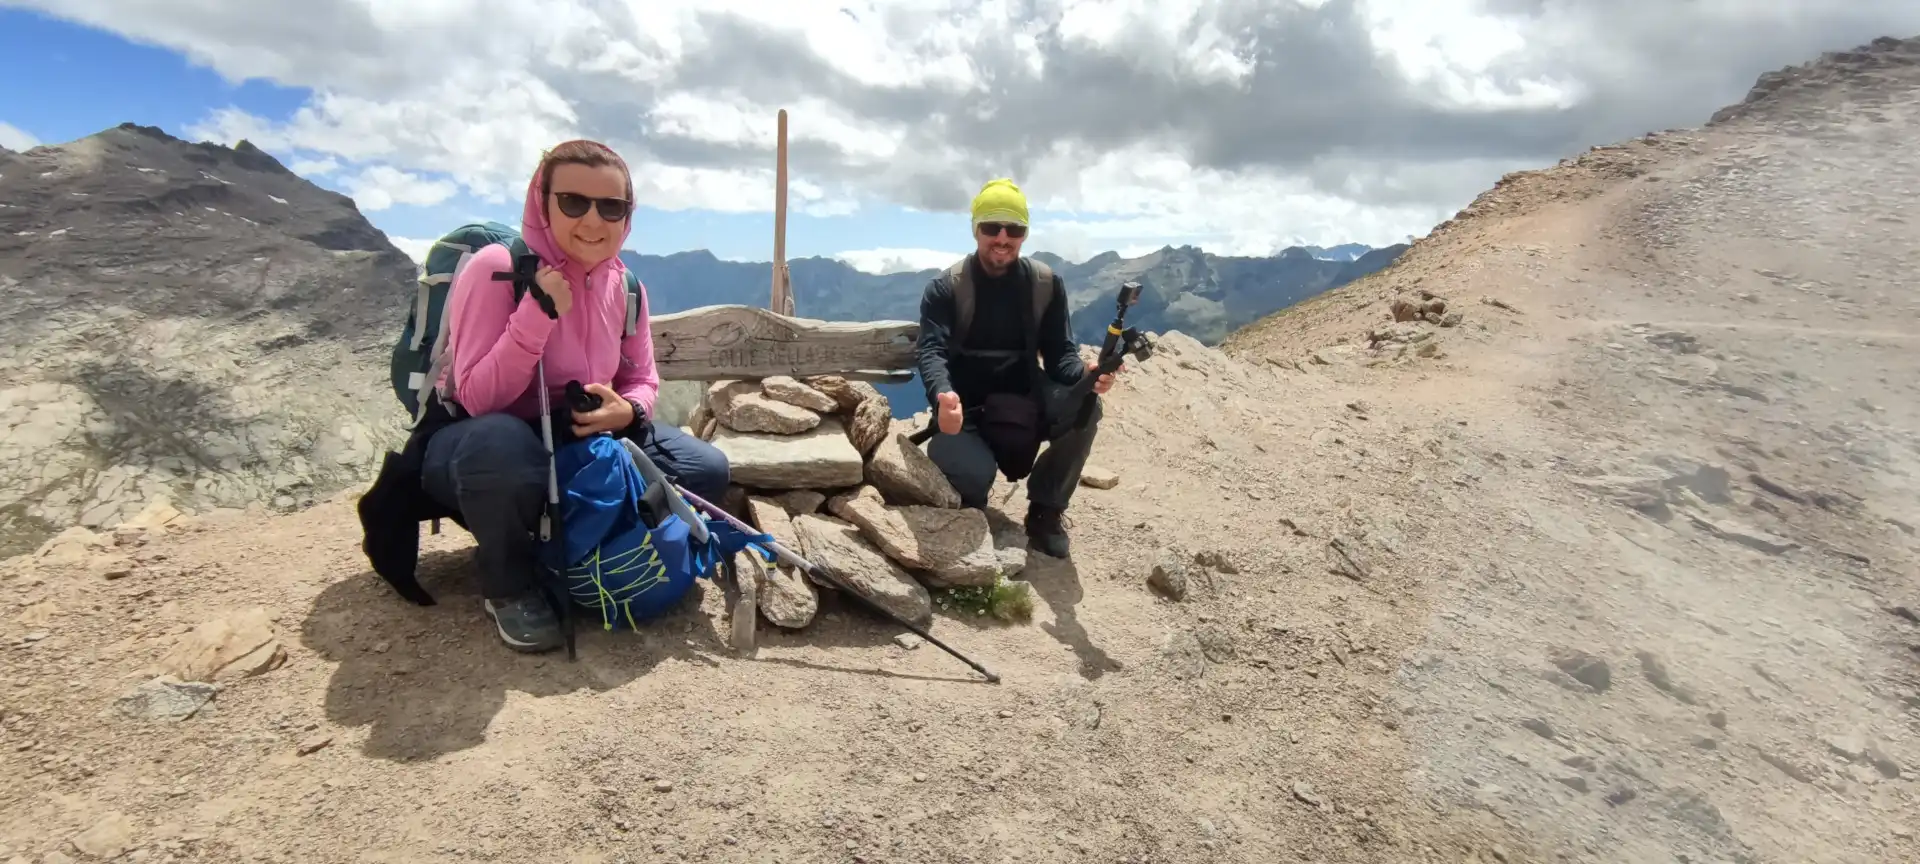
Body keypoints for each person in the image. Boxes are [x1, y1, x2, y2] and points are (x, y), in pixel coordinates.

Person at [424, 139, 729, 653]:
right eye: (573, 202)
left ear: (627, 215)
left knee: (707, 470)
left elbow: (642, 377)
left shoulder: (626, 285)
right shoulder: (497, 270)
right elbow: (478, 399)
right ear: (541, 203)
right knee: (498, 445)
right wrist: (538, 314)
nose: (593, 219)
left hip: (579, 439)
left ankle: (590, 549)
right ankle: (509, 585)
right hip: (478, 449)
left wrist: (628, 410)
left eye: (611, 206)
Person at [913, 178, 1116, 559]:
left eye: (1014, 229)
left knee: (1086, 407)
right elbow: (931, 350)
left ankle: (1045, 511)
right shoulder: (946, 288)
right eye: (992, 227)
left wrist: (1085, 375)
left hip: (1026, 400)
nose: (1002, 237)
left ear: (1025, 234)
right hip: (965, 409)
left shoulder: (1045, 285)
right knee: (970, 480)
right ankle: (971, 506)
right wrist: (941, 395)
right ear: (976, 229)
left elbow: (1059, 355)